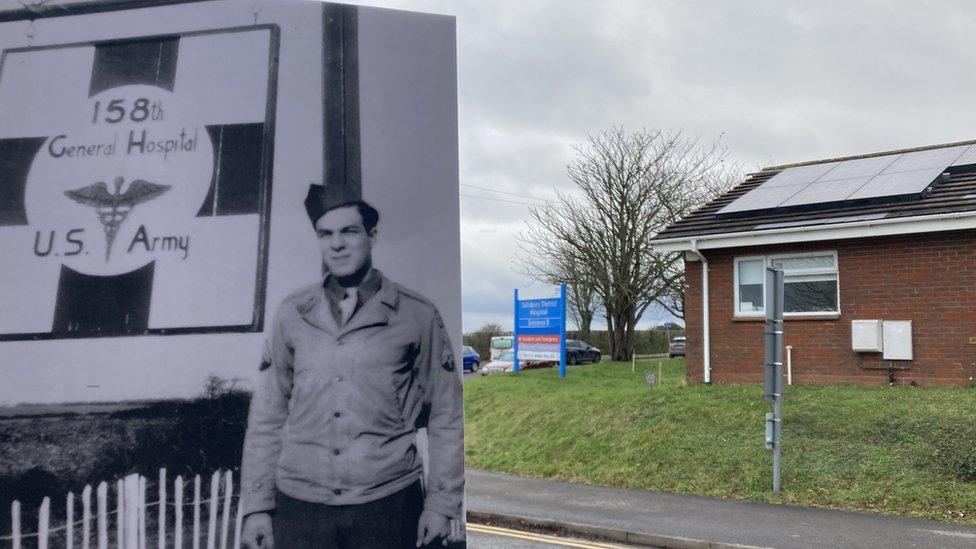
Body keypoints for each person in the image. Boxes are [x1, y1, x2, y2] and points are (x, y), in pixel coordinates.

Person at [239, 184, 464, 548]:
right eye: (325, 234)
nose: (337, 244)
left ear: (372, 236)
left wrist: (441, 502)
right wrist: (257, 506)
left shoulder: (416, 314)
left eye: (349, 231)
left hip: (387, 504)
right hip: (301, 507)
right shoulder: (292, 313)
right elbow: (267, 413)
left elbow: (447, 414)